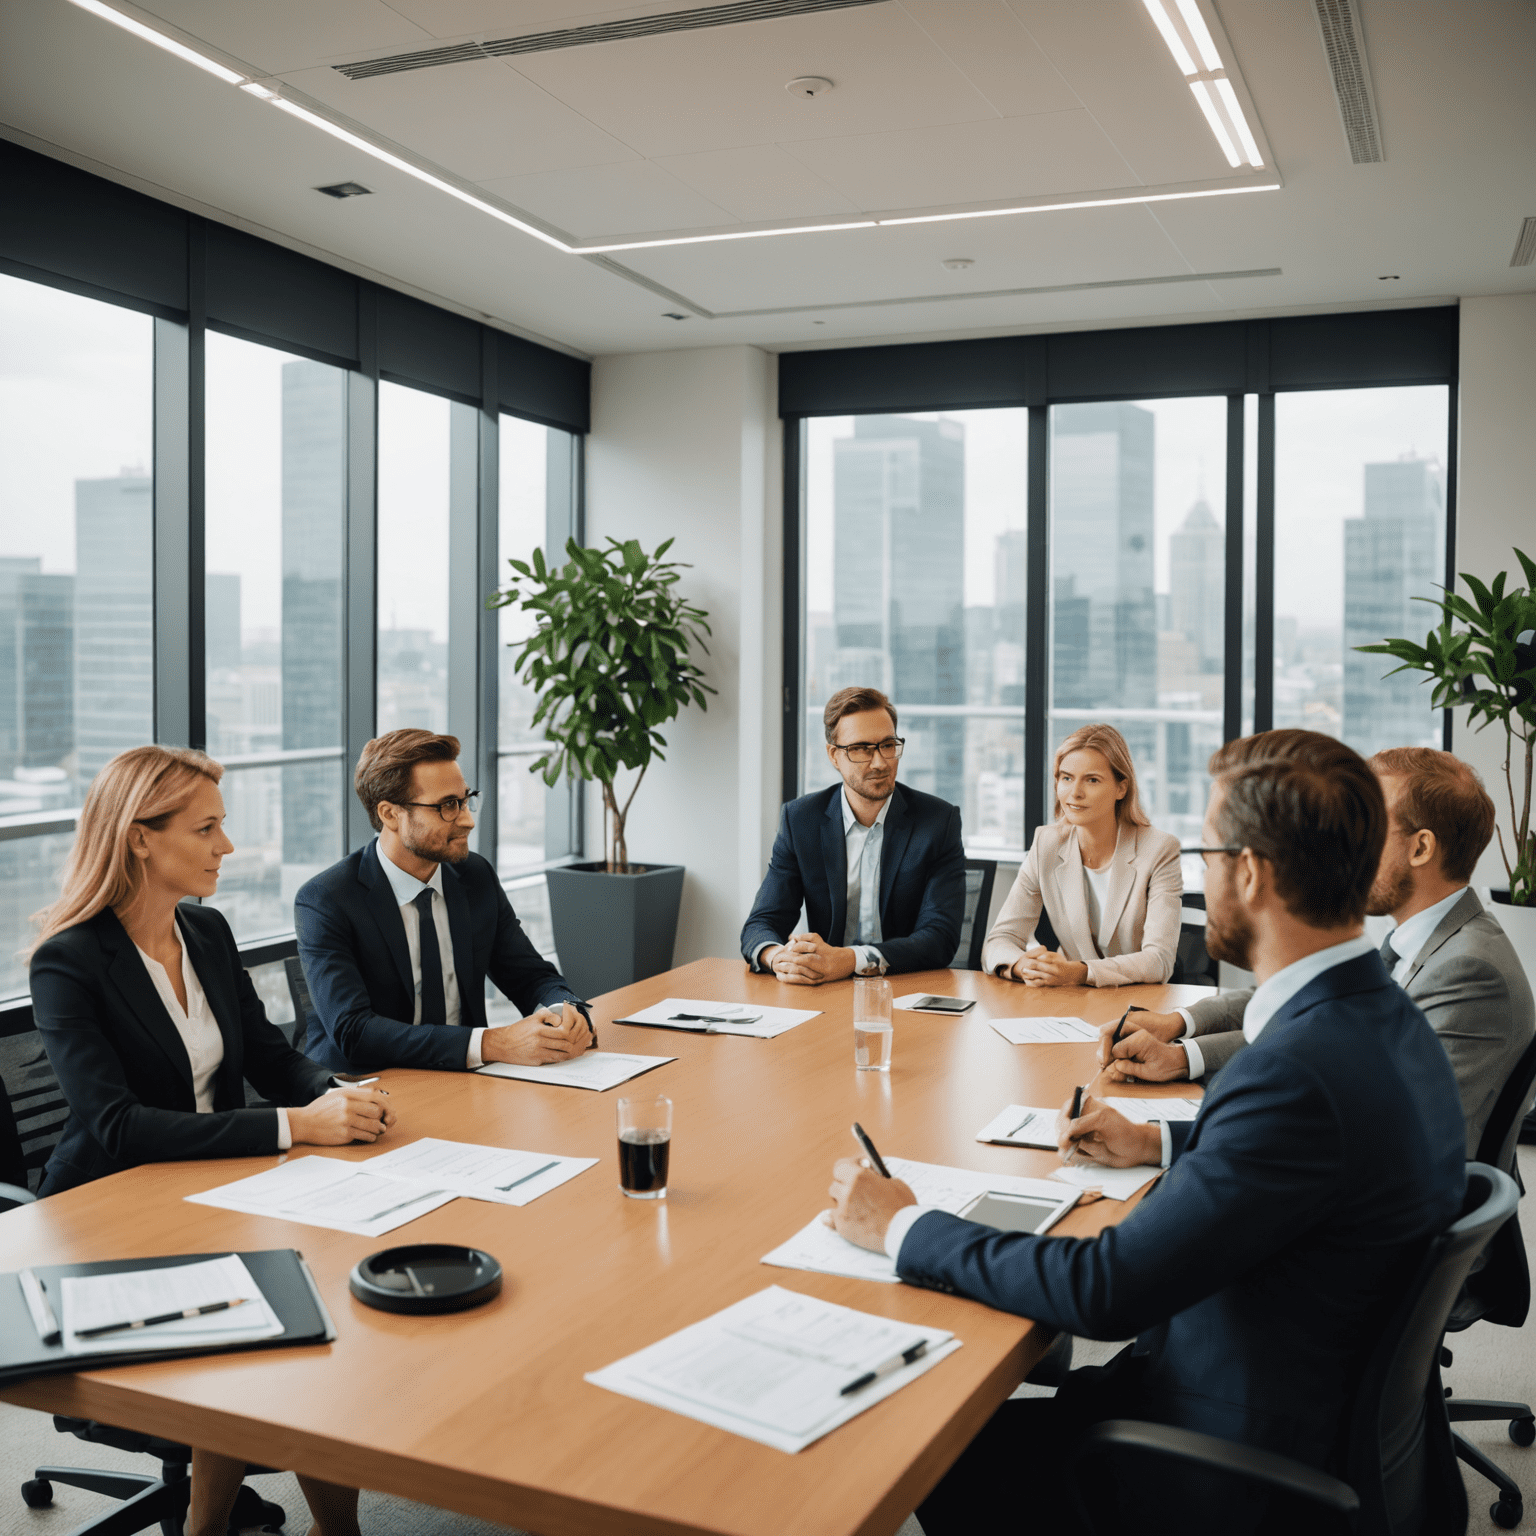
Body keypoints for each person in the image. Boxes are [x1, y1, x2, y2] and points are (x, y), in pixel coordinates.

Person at [824, 730, 1466, 1531]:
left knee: (936, 1444)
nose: (1201, 871)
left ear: (1253, 872)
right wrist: (1158, 1142)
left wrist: (904, 1224)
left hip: (1231, 1452)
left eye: (1209, 850)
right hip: (1310, 1399)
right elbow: (1317, 1165)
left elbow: (1105, 1291)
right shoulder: (1382, 1018)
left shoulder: (1294, 1072)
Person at [27, 745, 388, 1536]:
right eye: (208, 828)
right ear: (140, 838)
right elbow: (115, 1125)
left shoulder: (208, 930)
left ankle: (326, 1528)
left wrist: (336, 1097)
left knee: (314, 1309)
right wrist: (298, 1127)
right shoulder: (68, 963)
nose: (227, 846)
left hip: (210, 1195)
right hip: (100, 1223)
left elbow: (269, 1053)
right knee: (264, 1339)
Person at [1103, 743, 1536, 1155]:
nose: (1344, 849)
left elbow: (1390, 1137)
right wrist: (1179, 1028)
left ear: (1420, 847)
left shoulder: (1467, 969)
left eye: (1365, 831)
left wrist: (1160, 1135)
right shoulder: (1421, 941)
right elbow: (1301, 1005)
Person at [295, 729, 593, 1074]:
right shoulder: (327, 899)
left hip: (466, 1081)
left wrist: (566, 1011)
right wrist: (494, 1043)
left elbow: (529, 975)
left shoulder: (474, 876)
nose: (467, 819)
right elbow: (355, 1031)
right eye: (447, 806)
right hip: (367, 1088)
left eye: (465, 800)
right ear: (390, 814)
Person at [739, 687, 965, 983]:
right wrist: (780, 957)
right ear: (834, 755)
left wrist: (849, 960)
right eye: (860, 749)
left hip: (903, 989)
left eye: (888, 745)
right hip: (824, 990)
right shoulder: (801, 820)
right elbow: (762, 922)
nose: (880, 762)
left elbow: (939, 939)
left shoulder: (937, 822)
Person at [981, 723, 1181, 987]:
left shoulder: (1160, 849)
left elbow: (1159, 960)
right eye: (1066, 778)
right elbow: (1000, 939)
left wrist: (1080, 971)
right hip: (1073, 999)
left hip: (1138, 1003)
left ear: (1121, 788)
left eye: (1092, 780)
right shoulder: (1046, 844)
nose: (1074, 793)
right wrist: (1022, 965)